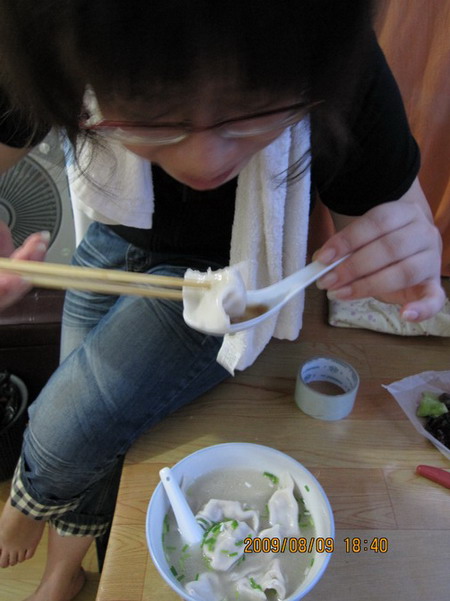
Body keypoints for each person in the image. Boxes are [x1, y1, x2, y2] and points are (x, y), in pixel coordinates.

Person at [0, 1, 444, 600]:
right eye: (152, 116)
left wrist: (402, 248)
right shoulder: (64, 32)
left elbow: (386, 209)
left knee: (65, 429)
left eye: (254, 109)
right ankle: (64, 573)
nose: (203, 160)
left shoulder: (326, 48)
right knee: (101, 432)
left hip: (231, 271)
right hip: (110, 237)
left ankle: (30, 499)